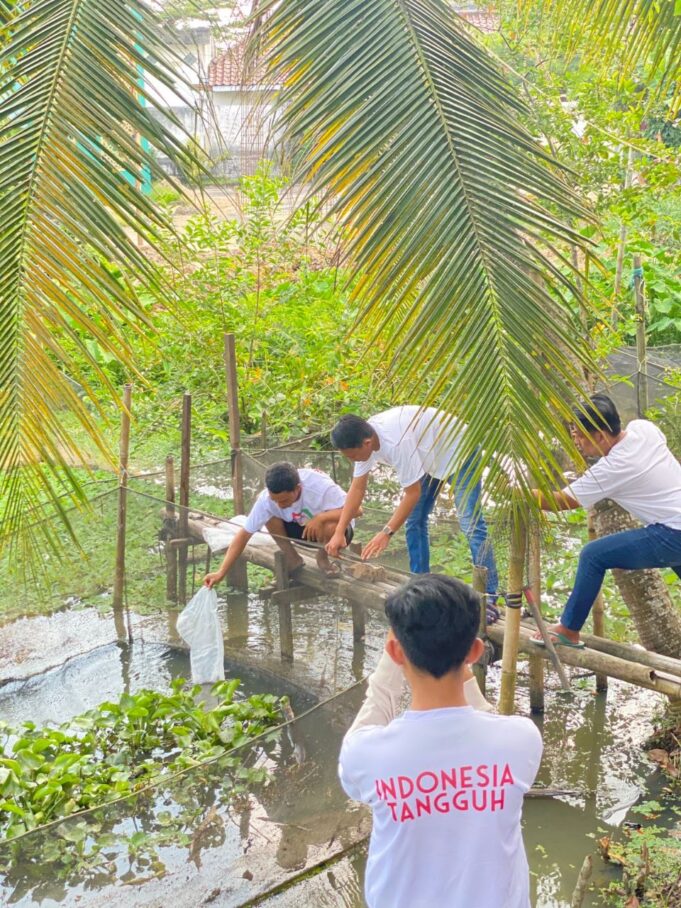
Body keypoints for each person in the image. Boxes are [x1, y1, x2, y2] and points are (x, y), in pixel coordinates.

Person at [339, 574, 543, 908]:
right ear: (475, 651)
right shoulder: (521, 740)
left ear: (395, 650)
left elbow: (369, 720)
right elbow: (487, 719)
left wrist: (391, 667)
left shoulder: (367, 754)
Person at [531, 393, 681, 648]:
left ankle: (568, 629)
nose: (575, 441)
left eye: (579, 435)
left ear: (600, 435)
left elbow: (561, 501)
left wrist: (516, 492)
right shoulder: (644, 429)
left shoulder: (614, 467)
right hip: (673, 524)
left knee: (593, 555)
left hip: (673, 532)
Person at [326, 407, 499, 607]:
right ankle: (420, 584)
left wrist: (386, 532)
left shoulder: (396, 442)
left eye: (352, 457)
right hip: (427, 458)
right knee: (414, 521)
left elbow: (412, 494)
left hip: (460, 452)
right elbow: (356, 489)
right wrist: (339, 531)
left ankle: (489, 594)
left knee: (471, 523)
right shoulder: (364, 438)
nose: (352, 461)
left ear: (367, 443)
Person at [204, 462, 357, 587]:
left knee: (330, 526)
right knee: (269, 516)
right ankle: (292, 558)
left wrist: (321, 518)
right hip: (302, 528)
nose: (280, 505)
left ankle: (322, 557)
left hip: (336, 533)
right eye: (275, 500)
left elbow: (357, 510)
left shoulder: (319, 486)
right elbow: (244, 535)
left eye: (284, 500)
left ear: (297, 489)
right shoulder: (266, 500)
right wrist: (221, 572)